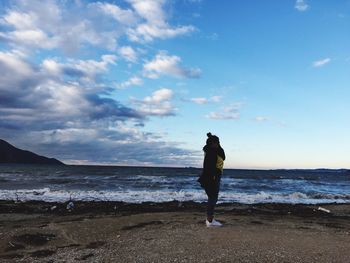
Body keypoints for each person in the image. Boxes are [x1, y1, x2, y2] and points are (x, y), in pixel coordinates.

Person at [198, 132, 225, 227]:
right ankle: (210, 221)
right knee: (213, 197)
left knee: (212, 197)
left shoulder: (214, 150)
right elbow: (209, 166)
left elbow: (222, 154)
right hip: (212, 177)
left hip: (214, 176)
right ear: (212, 144)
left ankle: (209, 219)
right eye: (216, 142)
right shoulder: (211, 152)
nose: (218, 144)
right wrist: (213, 177)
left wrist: (211, 137)